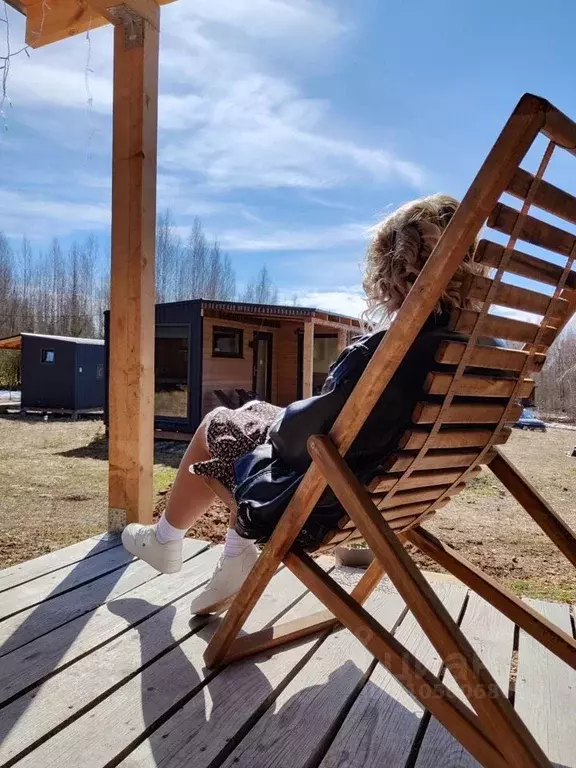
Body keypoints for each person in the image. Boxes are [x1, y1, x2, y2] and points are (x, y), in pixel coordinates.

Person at [122, 193, 484, 615]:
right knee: (256, 410)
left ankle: (167, 540)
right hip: (394, 493)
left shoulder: (385, 354)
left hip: (330, 498)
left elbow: (296, 442)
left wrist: (293, 417)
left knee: (220, 422)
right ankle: (229, 549)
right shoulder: (477, 354)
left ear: (391, 271)